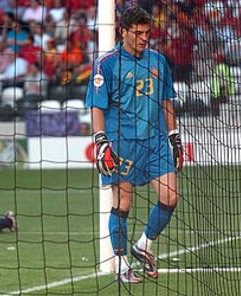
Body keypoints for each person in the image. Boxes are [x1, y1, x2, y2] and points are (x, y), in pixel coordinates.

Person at [85, 6, 184, 283]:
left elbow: (166, 100)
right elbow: (97, 106)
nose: (143, 38)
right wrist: (101, 141)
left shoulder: (158, 60)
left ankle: (144, 245)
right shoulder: (107, 63)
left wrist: (174, 135)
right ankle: (120, 263)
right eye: (138, 33)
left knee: (170, 197)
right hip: (122, 142)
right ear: (123, 31)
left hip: (154, 141)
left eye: (147, 33)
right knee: (123, 202)